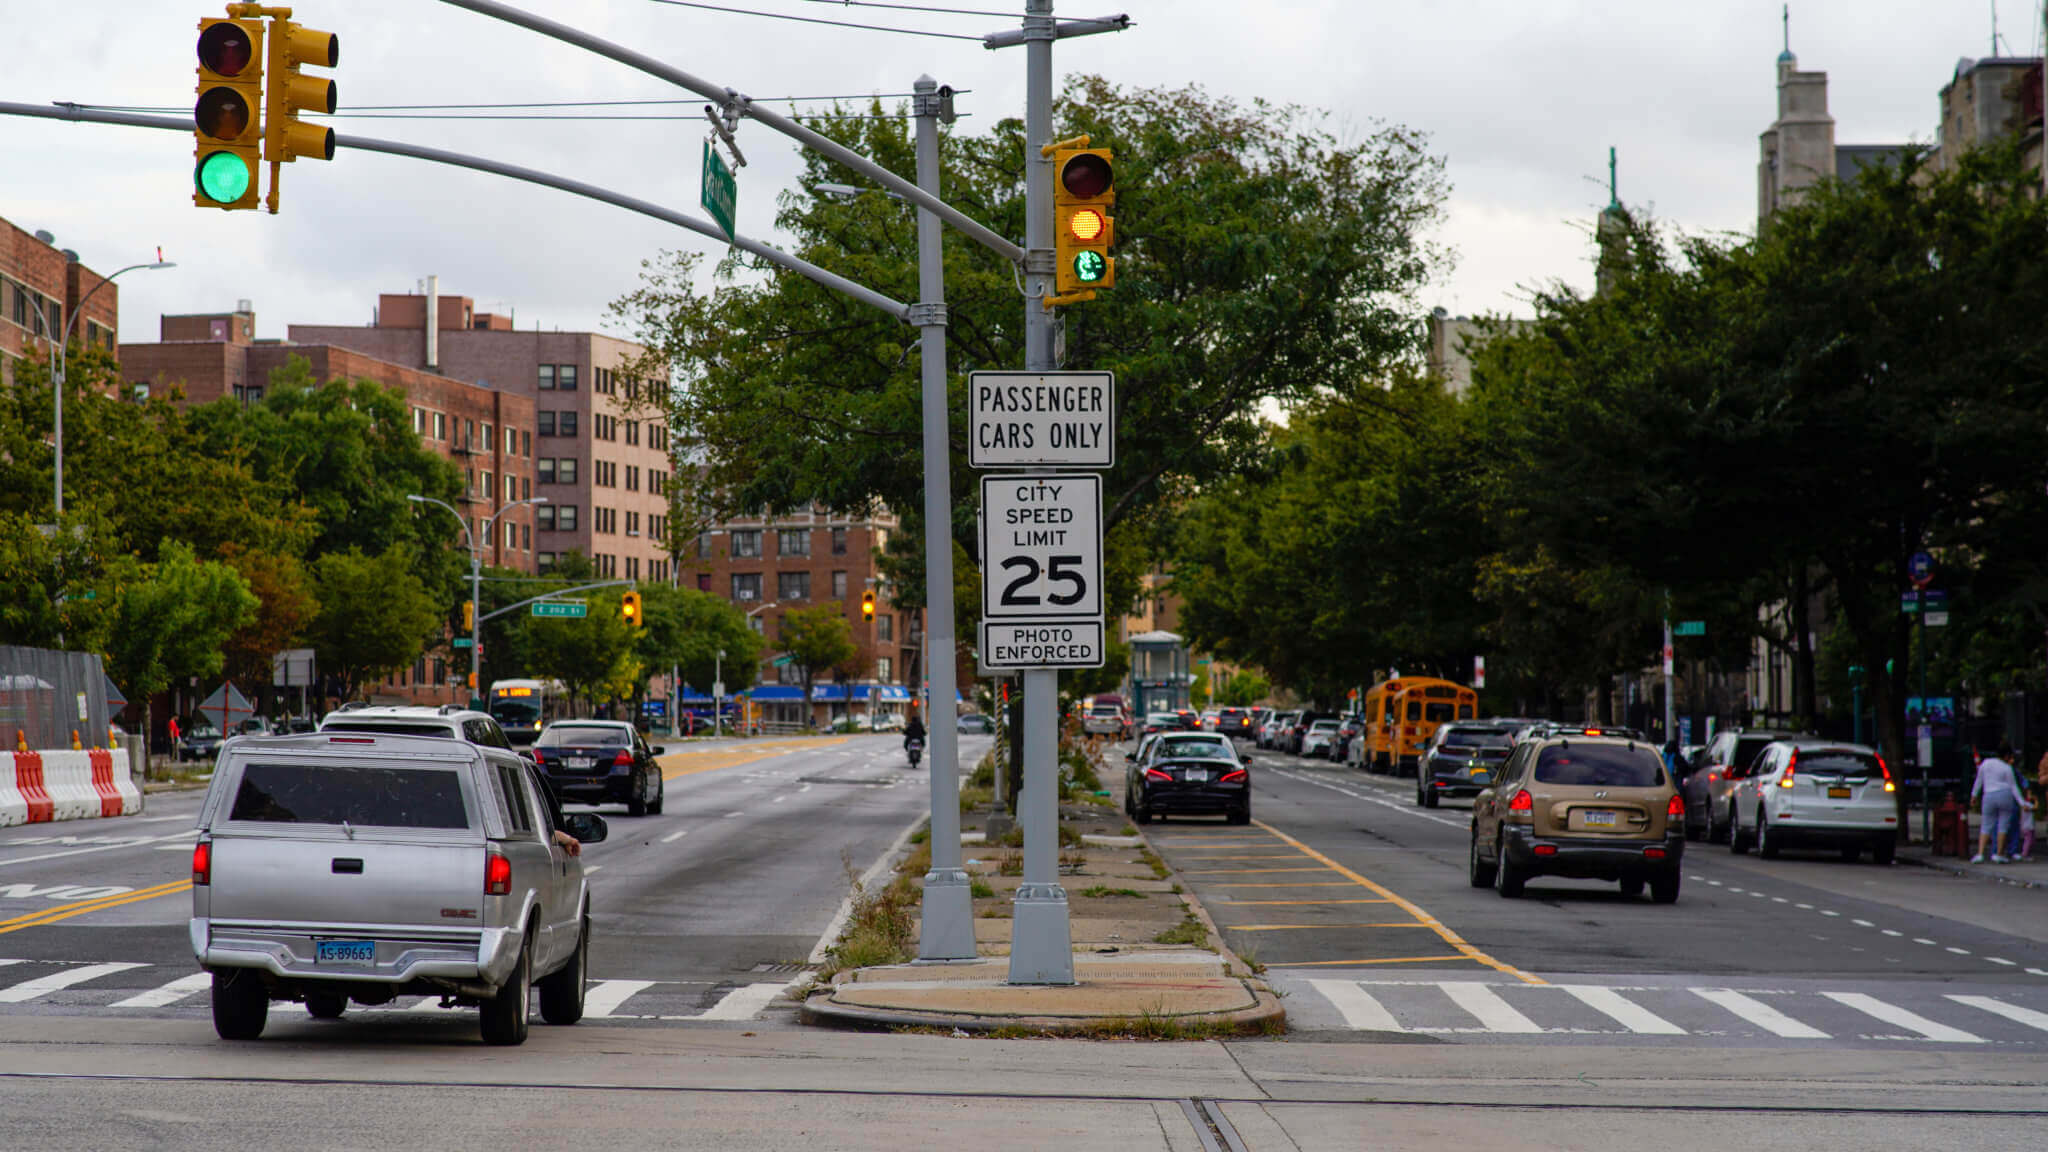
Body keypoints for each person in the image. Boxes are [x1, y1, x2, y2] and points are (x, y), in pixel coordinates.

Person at [1969, 742, 2028, 864]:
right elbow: (2013, 787)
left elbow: (1979, 780)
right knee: (2003, 825)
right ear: (2007, 756)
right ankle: (1999, 853)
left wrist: (1974, 795)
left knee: (1986, 824)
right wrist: (2022, 803)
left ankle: (1980, 853)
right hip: (2005, 795)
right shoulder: (2007, 768)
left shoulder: (1986, 763)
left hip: (1989, 794)